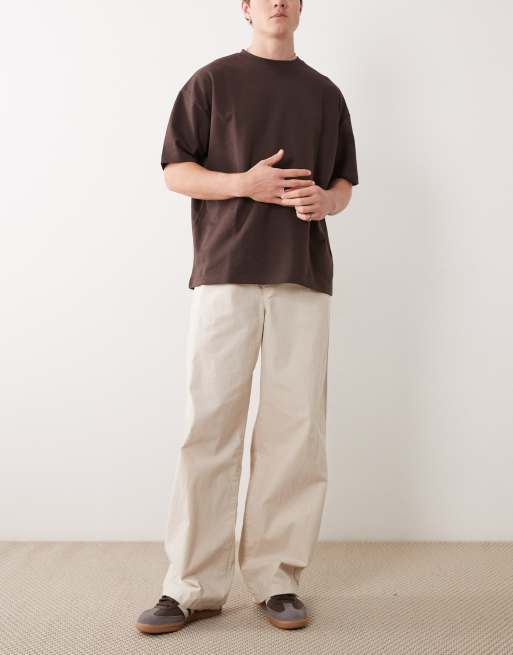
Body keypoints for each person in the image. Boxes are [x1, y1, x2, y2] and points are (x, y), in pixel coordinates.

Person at [136, 0, 358, 634]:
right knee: (209, 423)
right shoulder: (211, 81)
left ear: (301, 6)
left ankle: (277, 578)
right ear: (246, 7)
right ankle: (189, 586)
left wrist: (325, 202)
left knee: (296, 428)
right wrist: (243, 184)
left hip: (302, 275)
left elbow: (343, 185)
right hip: (225, 271)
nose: (277, 2)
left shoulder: (325, 93)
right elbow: (176, 172)